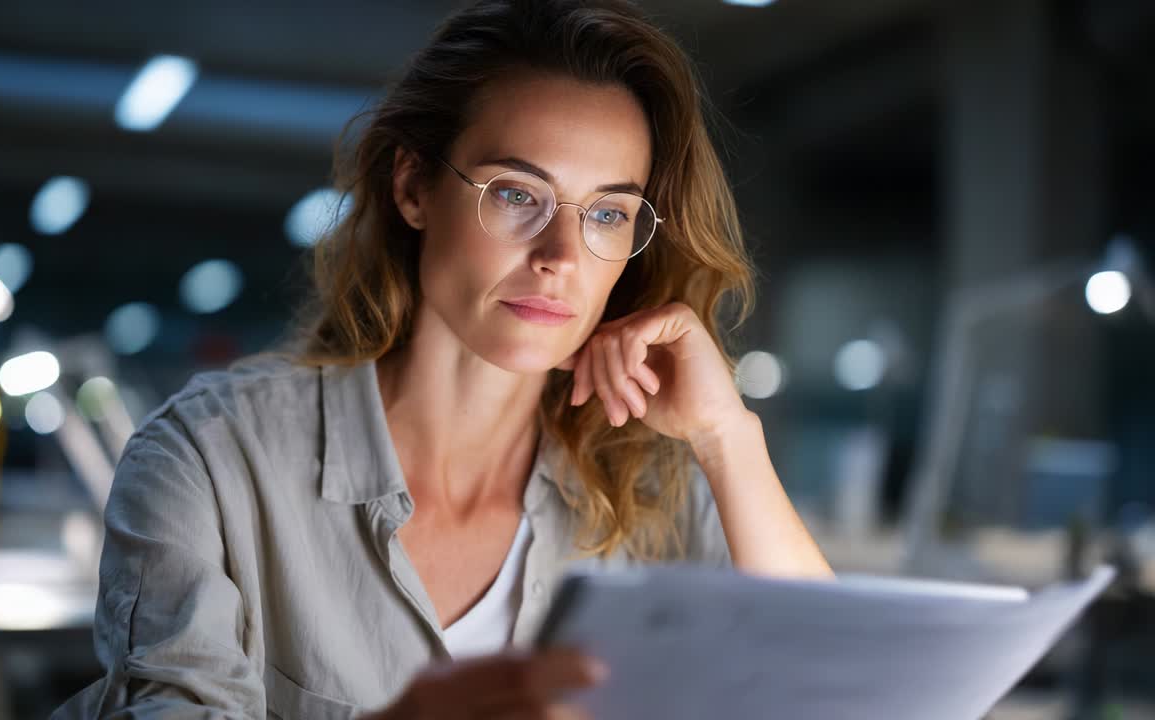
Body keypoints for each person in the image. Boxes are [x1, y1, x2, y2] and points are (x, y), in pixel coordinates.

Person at [55, 0, 832, 717]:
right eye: (517, 194)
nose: (562, 255)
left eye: (607, 213)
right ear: (415, 187)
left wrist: (729, 437)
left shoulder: (650, 482)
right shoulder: (209, 460)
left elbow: (834, 688)